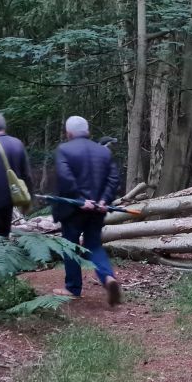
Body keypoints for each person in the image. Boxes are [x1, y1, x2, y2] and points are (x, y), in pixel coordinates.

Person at [52, 116, 122, 305]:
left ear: (68, 133)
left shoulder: (64, 150)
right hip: (97, 210)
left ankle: (73, 288)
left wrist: (80, 200)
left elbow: (65, 178)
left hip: (72, 209)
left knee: (71, 246)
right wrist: (103, 200)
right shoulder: (103, 152)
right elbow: (114, 178)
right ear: (88, 131)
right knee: (94, 245)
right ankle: (108, 277)